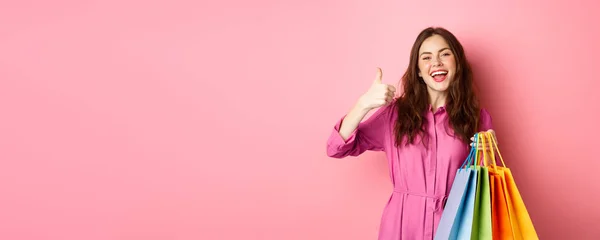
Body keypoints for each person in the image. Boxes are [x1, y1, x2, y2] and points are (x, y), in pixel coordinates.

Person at [325, 27, 496, 240]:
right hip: (402, 226)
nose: (436, 63)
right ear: (418, 70)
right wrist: (363, 105)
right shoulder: (394, 114)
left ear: (457, 63)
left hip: (455, 226)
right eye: (426, 57)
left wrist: (488, 156)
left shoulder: (478, 118)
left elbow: (486, 189)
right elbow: (335, 148)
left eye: (445, 54)